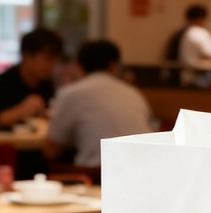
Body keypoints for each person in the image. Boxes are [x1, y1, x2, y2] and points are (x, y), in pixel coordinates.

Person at [44, 39, 152, 168]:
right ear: (114, 66)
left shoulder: (72, 93)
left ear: (79, 66)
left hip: (97, 174)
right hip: (145, 170)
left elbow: (51, 150)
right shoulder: (133, 93)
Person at [0, 27, 62, 129]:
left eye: (55, 59)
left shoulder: (47, 86)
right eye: (48, 59)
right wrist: (20, 111)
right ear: (27, 55)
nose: (52, 65)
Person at [177, 4, 211, 88]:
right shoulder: (200, 33)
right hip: (200, 80)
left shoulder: (185, 33)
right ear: (202, 18)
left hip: (186, 78)